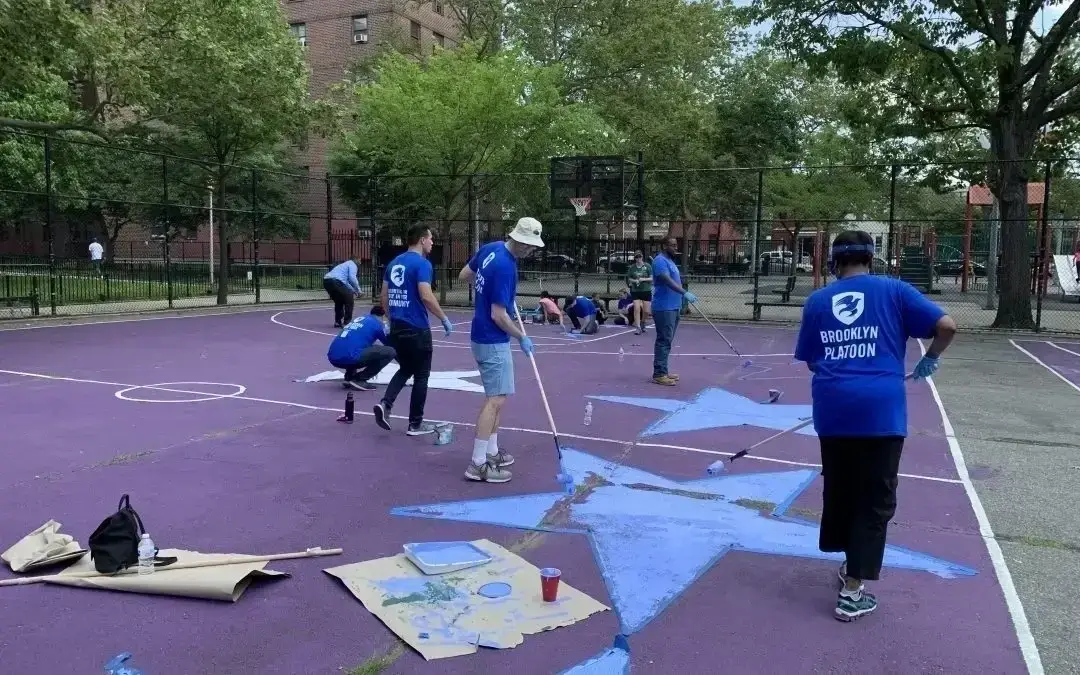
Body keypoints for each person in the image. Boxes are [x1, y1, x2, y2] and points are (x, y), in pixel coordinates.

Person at [794, 229, 957, 623]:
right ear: (870, 257)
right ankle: (853, 590)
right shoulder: (894, 290)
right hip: (879, 413)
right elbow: (947, 325)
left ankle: (851, 563)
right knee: (875, 498)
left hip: (833, 410)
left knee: (842, 488)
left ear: (835, 261)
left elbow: (813, 359)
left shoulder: (817, 300)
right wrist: (930, 357)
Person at [457, 217, 542, 483]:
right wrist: (520, 337)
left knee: (499, 397)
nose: (531, 249)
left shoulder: (491, 248)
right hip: (493, 339)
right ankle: (478, 463)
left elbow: (465, 276)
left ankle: (491, 451)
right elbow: (499, 315)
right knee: (495, 400)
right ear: (517, 238)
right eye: (528, 244)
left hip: (481, 334)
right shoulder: (506, 267)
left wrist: (490, 291)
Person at [374, 225, 454, 436]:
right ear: (421, 240)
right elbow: (426, 295)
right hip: (416, 327)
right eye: (430, 239)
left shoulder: (393, 263)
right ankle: (415, 423)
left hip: (397, 327)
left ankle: (386, 404)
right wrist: (444, 318)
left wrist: (392, 319)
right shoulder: (422, 264)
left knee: (406, 368)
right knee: (422, 375)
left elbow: (384, 296)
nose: (432, 242)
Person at [650, 237, 696, 386]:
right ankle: (659, 374)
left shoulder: (670, 261)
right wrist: (684, 292)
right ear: (664, 246)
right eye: (672, 245)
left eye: (676, 245)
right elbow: (667, 281)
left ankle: (664, 370)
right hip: (664, 307)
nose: (675, 248)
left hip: (674, 306)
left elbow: (676, 279)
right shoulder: (659, 261)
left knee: (668, 340)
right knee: (663, 340)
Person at [326, 306, 396, 391]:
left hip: (333, 357)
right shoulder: (378, 324)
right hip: (349, 357)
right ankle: (360, 379)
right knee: (390, 352)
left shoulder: (361, 319)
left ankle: (349, 377)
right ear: (382, 316)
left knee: (357, 346)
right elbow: (389, 344)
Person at [324, 257, 362, 327]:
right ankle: (347, 323)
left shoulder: (344, 265)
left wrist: (354, 291)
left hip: (327, 281)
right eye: (360, 260)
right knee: (349, 299)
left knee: (339, 300)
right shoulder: (352, 265)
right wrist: (359, 290)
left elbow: (345, 283)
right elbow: (352, 278)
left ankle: (338, 322)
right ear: (355, 260)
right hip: (335, 281)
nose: (360, 263)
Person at [626, 250, 652, 334]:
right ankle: (637, 327)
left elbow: (652, 278)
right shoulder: (632, 268)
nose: (638, 258)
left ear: (642, 257)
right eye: (636, 257)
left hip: (646, 290)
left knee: (646, 311)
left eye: (639, 256)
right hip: (636, 290)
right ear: (635, 258)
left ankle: (643, 322)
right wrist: (634, 281)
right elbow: (629, 278)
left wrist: (643, 279)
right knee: (636, 308)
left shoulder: (647, 266)